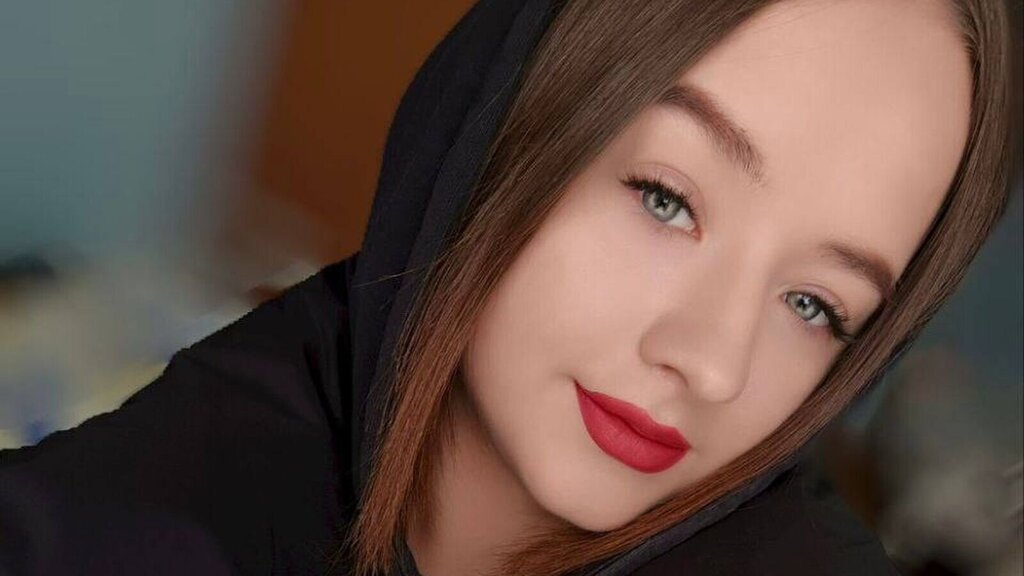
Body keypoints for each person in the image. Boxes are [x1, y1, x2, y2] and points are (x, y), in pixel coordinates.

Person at [0, 0, 1017, 575]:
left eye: (814, 306)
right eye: (666, 199)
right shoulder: (185, 474)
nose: (711, 363)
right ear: (501, 122)